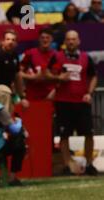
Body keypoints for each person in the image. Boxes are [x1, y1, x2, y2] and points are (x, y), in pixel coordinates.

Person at [50, 30, 98, 176]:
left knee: (88, 134)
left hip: (81, 103)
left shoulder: (85, 57)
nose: (71, 42)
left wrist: (89, 93)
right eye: (68, 39)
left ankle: (89, 163)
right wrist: (59, 78)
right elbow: (49, 74)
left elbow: (93, 77)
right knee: (64, 136)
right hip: (63, 102)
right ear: (65, 41)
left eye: (73, 39)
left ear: (78, 41)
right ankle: (67, 165)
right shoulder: (57, 57)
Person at [0, 30, 29, 112]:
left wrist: (22, 97)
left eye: (13, 40)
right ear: (2, 41)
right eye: (8, 39)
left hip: (8, 92)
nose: (10, 42)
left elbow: (18, 77)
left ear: (16, 43)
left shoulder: (15, 55)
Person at [20, 28, 57, 100]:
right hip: (32, 95)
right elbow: (18, 73)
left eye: (47, 38)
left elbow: (61, 78)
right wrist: (33, 77)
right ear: (39, 39)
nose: (45, 40)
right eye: (42, 38)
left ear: (52, 39)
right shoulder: (30, 53)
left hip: (50, 96)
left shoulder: (57, 55)